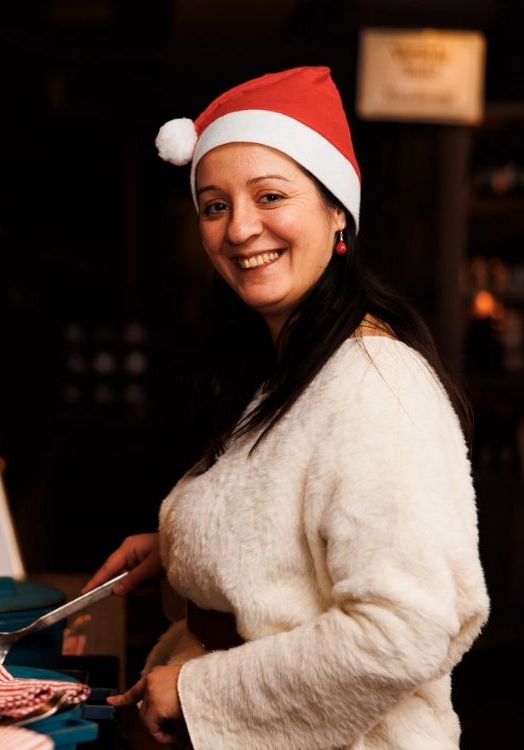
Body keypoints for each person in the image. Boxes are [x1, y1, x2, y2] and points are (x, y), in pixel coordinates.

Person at [82, 66, 489, 749]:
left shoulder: (372, 384)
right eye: (215, 206)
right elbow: (291, 528)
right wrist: (184, 548)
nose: (241, 229)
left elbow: (402, 631)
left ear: (337, 213)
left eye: (270, 196)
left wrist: (194, 689)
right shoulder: (289, 366)